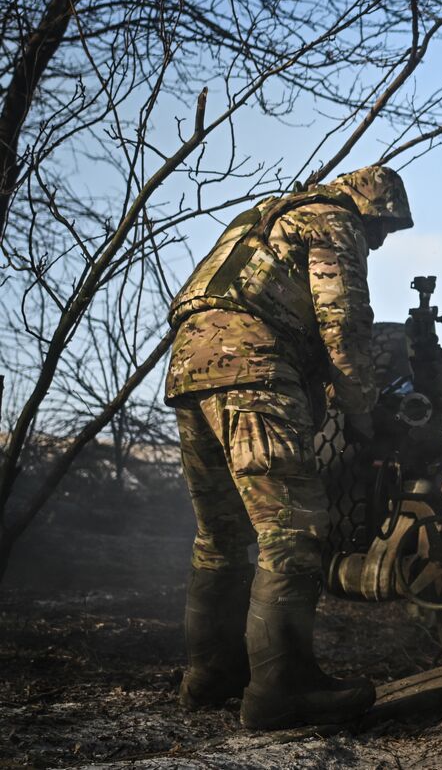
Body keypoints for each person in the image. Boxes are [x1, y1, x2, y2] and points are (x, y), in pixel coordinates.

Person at [165, 166, 412, 730]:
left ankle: (211, 675)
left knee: (221, 535)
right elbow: (342, 324)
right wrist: (361, 413)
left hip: (189, 368)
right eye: (383, 230)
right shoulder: (334, 221)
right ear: (369, 208)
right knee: (293, 534)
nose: (379, 241)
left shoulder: (262, 218)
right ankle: (280, 690)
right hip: (253, 369)